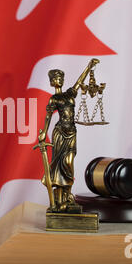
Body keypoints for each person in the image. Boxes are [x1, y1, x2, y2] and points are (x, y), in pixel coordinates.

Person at [38, 58, 99, 211]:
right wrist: (43, 134)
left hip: (71, 133)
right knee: (59, 166)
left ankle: (67, 197)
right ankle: (59, 201)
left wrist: (89, 66)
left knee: (69, 163)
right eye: (55, 78)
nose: (58, 80)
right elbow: (48, 116)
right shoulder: (54, 99)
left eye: (60, 78)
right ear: (52, 82)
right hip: (60, 133)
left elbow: (80, 81)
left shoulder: (70, 93)